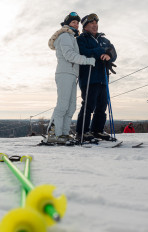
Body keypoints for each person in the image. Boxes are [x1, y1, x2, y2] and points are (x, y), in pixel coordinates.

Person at [47, 12, 96, 144]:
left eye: (77, 23)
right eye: (73, 22)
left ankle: (63, 133)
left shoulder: (71, 37)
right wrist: (87, 60)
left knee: (71, 107)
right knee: (62, 105)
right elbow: (69, 55)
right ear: (67, 23)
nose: (75, 24)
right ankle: (53, 134)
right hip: (64, 73)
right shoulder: (64, 36)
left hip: (72, 74)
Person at [75, 13, 117, 141]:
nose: (95, 25)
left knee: (102, 105)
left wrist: (109, 55)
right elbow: (83, 52)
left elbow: (113, 51)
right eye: (92, 23)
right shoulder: (81, 39)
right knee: (88, 105)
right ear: (85, 26)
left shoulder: (104, 39)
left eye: (96, 23)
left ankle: (97, 130)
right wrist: (100, 51)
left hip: (103, 77)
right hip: (89, 77)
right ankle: (82, 132)